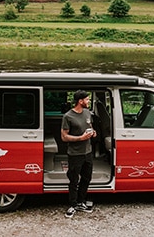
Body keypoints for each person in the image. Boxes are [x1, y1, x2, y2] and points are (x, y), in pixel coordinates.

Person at [61, 90, 96, 218]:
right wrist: (80, 138)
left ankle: (81, 202)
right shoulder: (68, 116)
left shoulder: (87, 112)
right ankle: (73, 204)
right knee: (74, 179)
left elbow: (90, 125)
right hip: (75, 153)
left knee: (87, 178)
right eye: (87, 100)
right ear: (80, 101)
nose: (88, 101)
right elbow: (64, 137)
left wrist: (93, 132)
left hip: (88, 152)